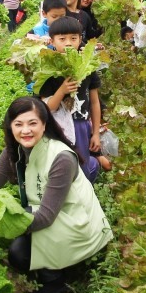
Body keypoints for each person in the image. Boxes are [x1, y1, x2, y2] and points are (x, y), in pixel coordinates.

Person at [0, 97, 113, 293]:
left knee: (19, 252)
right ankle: (55, 264)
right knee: (19, 254)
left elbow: (45, 217)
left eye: (32, 123)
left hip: (77, 223)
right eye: (18, 124)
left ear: (44, 125)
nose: (25, 130)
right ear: (10, 127)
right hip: (52, 215)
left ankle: (56, 281)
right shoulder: (14, 151)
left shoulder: (61, 158)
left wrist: (2, 223)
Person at [37, 17, 103, 182]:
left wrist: (95, 133)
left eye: (73, 38)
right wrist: (62, 91)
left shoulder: (87, 66)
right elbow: (47, 108)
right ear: (52, 41)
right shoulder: (48, 69)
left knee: (81, 168)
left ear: (81, 40)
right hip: (57, 127)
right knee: (59, 167)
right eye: (62, 39)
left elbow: (94, 102)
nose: (68, 43)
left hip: (80, 125)